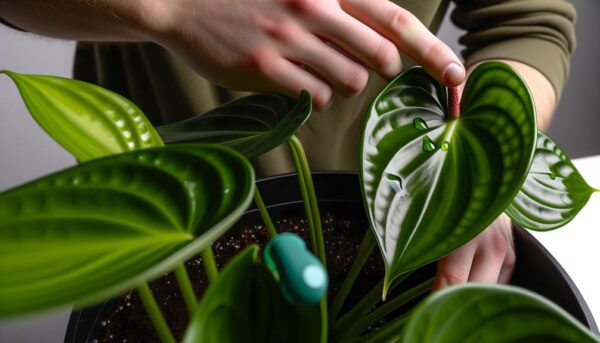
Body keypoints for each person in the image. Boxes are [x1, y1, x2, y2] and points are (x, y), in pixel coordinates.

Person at [0, 0, 576, 290]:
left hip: (384, 221)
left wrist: (478, 176)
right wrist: (169, 10)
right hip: (154, 221)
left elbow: (530, 21)